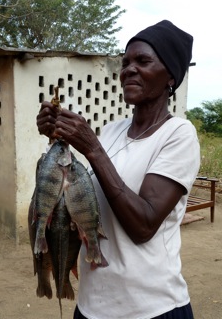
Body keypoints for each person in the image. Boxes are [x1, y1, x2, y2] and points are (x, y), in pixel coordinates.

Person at [37, 20, 200, 319]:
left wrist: (93, 148)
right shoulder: (112, 131)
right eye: (125, 63)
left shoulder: (178, 135)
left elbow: (143, 226)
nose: (128, 70)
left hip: (150, 307)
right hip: (91, 305)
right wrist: (56, 138)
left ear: (170, 77)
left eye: (143, 61)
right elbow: (81, 196)